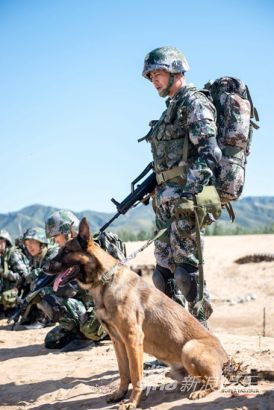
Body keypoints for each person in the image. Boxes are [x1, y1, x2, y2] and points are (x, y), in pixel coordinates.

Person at [141, 46, 222, 325]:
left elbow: (210, 153)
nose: (154, 79)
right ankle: (173, 343)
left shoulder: (194, 103)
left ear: (176, 71)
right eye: (150, 75)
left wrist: (190, 194)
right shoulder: (169, 111)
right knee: (162, 277)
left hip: (186, 201)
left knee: (186, 274)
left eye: (159, 72)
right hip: (164, 203)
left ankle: (203, 337)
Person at [44, 210, 106, 351]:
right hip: (84, 307)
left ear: (67, 232)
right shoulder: (67, 257)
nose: (55, 241)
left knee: (89, 329)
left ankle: (93, 334)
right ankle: (79, 331)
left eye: (56, 236)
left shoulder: (92, 250)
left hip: (101, 307)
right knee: (51, 341)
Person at [0, 229, 29, 317]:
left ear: (6, 242)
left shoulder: (13, 255)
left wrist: (4, 273)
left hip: (16, 296)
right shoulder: (2, 256)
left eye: (1, 242)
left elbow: (24, 276)